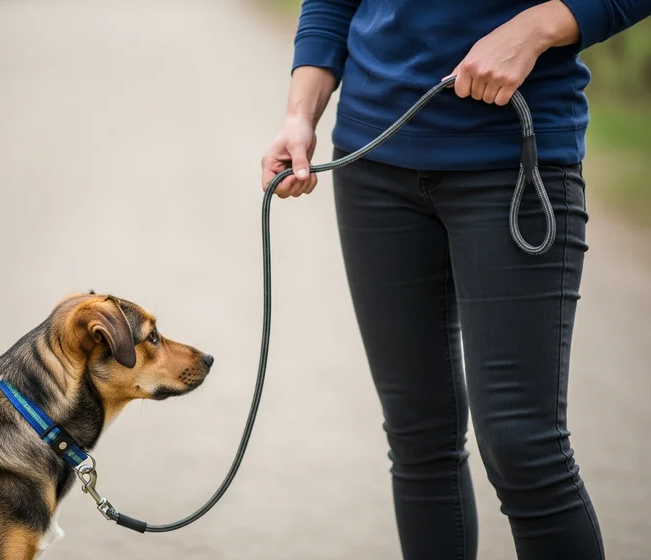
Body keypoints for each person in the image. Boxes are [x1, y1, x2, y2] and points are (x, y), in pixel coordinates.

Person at [261, 1, 651, 559]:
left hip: (514, 161)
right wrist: (301, 114)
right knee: (419, 437)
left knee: (524, 450)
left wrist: (539, 26)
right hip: (374, 162)